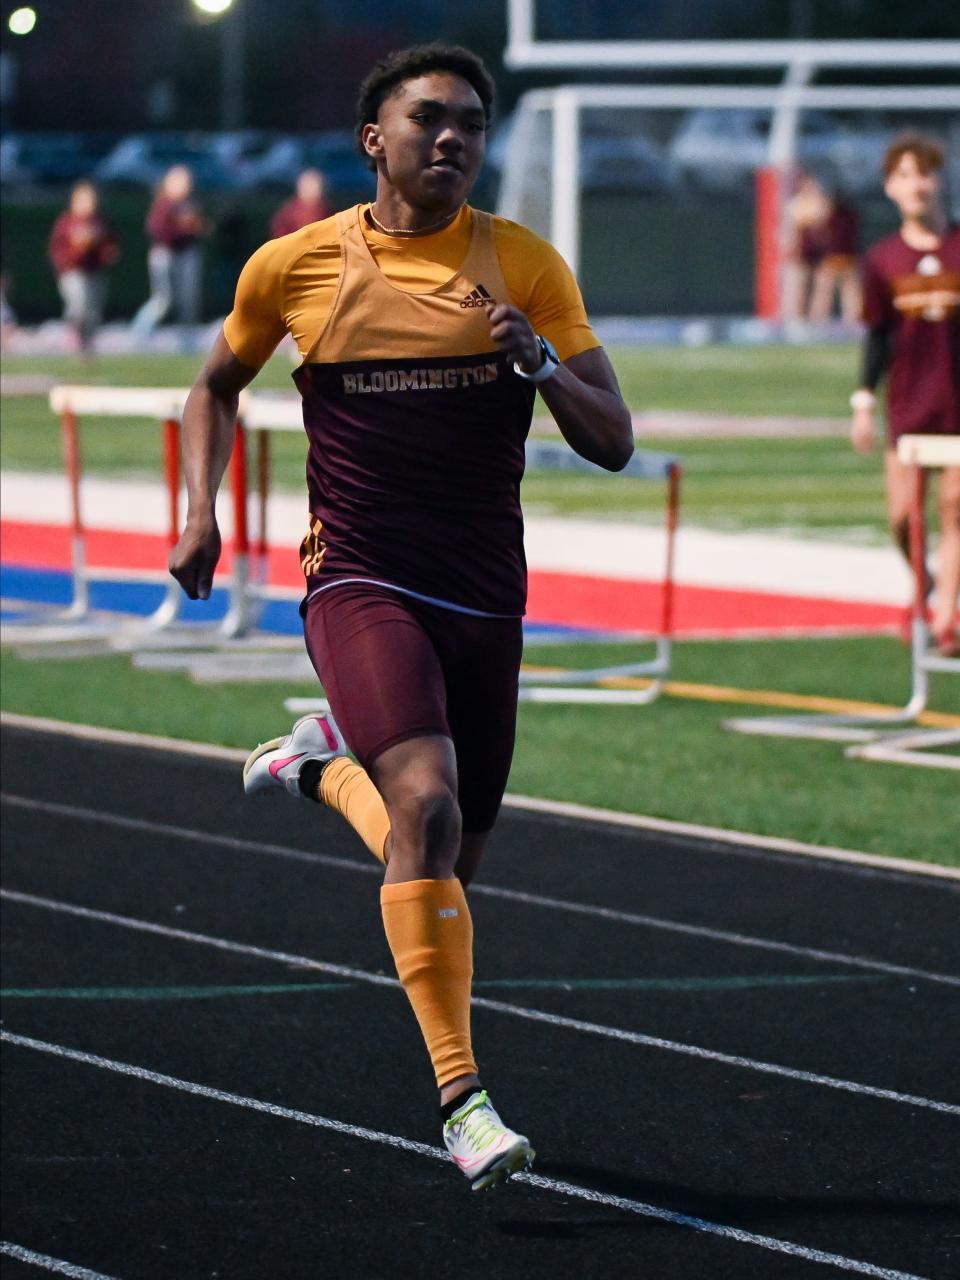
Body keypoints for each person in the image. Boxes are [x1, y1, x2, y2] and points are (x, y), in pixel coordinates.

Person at [168, 43, 633, 1189]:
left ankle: (321, 769)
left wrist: (538, 367)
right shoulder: (299, 265)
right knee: (423, 802)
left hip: (485, 592)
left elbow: (614, 436)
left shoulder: (525, 266)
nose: (455, 139)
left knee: (447, 862)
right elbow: (213, 386)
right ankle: (464, 1102)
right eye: (430, 119)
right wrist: (199, 514)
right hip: (360, 576)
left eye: (473, 123)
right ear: (374, 140)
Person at [851, 133, 959, 656]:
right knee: (901, 518)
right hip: (910, 408)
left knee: (955, 509)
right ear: (890, 188)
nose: (916, 185)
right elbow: (876, 336)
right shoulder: (883, 259)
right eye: (904, 175)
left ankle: (944, 621)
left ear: (939, 180)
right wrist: (863, 402)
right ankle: (926, 587)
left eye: (925, 173)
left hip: (959, 408)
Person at [131, 165, 206, 339]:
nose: (185, 185)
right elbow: (157, 231)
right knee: (163, 300)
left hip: (187, 254)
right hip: (165, 255)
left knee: (189, 299)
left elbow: (199, 228)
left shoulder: (191, 204)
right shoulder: (163, 205)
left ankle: (187, 338)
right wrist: (181, 229)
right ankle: (139, 331)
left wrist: (196, 228)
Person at [48, 181, 119, 354]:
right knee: (78, 305)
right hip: (73, 272)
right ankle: (73, 334)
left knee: (93, 310)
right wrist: (69, 260)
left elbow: (110, 243)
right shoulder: (66, 222)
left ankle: (87, 343)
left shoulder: (99, 222)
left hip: (94, 271)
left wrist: (106, 254)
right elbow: (57, 248)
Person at [782, 172, 831, 323]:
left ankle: (818, 318)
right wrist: (789, 246)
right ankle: (795, 318)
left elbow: (825, 224)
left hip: (820, 250)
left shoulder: (822, 203)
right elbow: (790, 229)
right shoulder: (794, 204)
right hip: (801, 250)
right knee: (798, 284)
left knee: (822, 286)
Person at [808, 190, 861, 325]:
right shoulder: (851, 216)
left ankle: (817, 321)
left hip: (832, 259)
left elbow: (820, 236)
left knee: (823, 294)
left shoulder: (829, 218)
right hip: (848, 258)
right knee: (850, 294)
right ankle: (853, 320)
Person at [270, 168, 332, 239]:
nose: (313, 190)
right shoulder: (290, 211)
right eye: (309, 185)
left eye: (316, 186)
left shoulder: (326, 209)